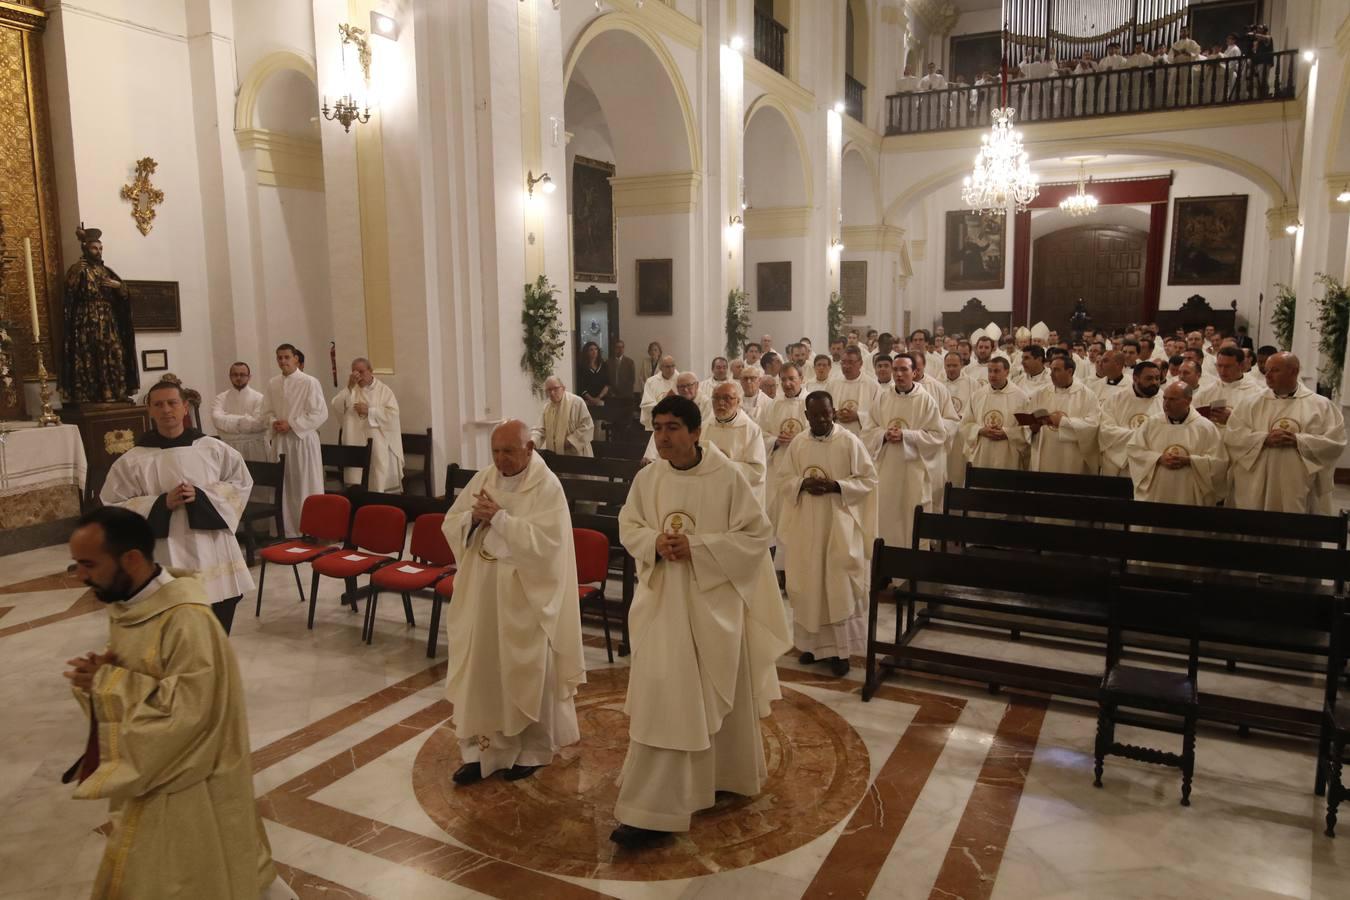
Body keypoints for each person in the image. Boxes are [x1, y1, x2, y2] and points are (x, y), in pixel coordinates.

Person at [63, 506, 283, 899]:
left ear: (130, 559)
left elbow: (189, 713)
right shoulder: (131, 606)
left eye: (88, 564)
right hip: (161, 776)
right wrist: (100, 677)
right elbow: (143, 679)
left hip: (191, 782)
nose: (80, 576)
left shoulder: (187, 622)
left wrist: (109, 682)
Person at [612, 396, 790, 848]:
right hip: (663, 607)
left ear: (695, 432)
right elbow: (628, 525)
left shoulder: (728, 476)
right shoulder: (648, 477)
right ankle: (653, 808)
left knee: (713, 694)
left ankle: (721, 777)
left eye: (673, 427)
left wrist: (700, 548)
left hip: (714, 609)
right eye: (657, 427)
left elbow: (756, 535)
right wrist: (654, 542)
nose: (663, 436)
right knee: (667, 700)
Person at [441, 420, 585, 784]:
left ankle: (532, 751)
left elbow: (550, 547)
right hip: (484, 590)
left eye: (508, 451)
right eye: (495, 451)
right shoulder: (485, 478)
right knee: (483, 669)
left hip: (525, 595)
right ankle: (480, 752)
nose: (501, 459)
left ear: (530, 449)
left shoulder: (547, 487)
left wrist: (501, 519)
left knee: (525, 670)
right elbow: (451, 521)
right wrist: (472, 518)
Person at [100, 379, 254, 634]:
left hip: (212, 547)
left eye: (172, 403)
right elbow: (111, 505)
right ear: (149, 410)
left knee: (217, 622)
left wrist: (203, 496)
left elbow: (241, 484)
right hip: (164, 551)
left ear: (185, 407)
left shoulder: (213, 449)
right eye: (158, 405)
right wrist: (159, 504)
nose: (166, 410)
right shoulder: (132, 461)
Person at [778, 391, 878, 677]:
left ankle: (840, 652)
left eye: (826, 413)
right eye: (815, 415)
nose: (821, 419)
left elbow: (869, 480)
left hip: (839, 526)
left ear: (833, 412)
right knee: (809, 585)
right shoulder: (799, 443)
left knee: (837, 585)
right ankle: (810, 647)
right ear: (806, 416)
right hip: (806, 527)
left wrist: (837, 486)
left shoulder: (848, 442)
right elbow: (784, 479)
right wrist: (802, 483)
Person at [1223, 352, 1347, 515]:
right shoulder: (1250, 404)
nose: (1267, 375)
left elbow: (1335, 443)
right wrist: (1264, 439)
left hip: (1298, 483)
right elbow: (1233, 436)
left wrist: (1299, 441)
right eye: (1266, 370)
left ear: (1293, 372)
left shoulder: (1320, 405)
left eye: (1275, 370)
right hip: (1258, 481)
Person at [865, 354, 945, 551]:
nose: (898, 374)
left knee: (910, 518)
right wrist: (884, 435)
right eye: (896, 370)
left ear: (915, 373)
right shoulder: (883, 397)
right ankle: (885, 566)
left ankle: (911, 566)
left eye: (904, 370)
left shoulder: (925, 400)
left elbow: (938, 435)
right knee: (886, 518)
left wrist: (906, 436)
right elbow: (867, 431)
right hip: (886, 471)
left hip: (913, 472)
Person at [61, 224, 139, 403]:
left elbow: (124, 294)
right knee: (91, 354)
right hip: (87, 319)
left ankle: (117, 389)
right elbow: (69, 294)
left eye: (100, 248)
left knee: (114, 351)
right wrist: (74, 275)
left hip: (108, 319)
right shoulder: (78, 269)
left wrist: (119, 287)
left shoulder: (106, 271)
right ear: (86, 249)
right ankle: (95, 392)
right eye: (94, 248)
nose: (98, 252)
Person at [260, 343, 328, 536]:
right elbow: (266, 412)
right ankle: (286, 531)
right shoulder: (273, 383)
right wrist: (274, 422)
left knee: (305, 484)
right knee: (285, 486)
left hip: (302, 440)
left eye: (286, 357)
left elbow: (320, 413)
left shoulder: (309, 382)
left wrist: (291, 424)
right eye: (279, 358)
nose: (283, 361)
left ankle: (311, 530)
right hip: (281, 441)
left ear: (296, 358)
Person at [1127, 381, 1226, 506]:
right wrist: (1158, 458)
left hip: (1190, 494)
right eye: (1164, 398)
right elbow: (1134, 449)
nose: (1166, 404)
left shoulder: (1205, 427)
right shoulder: (1152, 424)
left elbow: (1219, 463)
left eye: (1173, 399)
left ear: (1188, 400)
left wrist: (1190, 461)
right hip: (1157, 493)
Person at [331, 357, 404, 493]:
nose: (357, 376)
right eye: (354, 372)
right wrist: (349, 386)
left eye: (361, 372)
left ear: (371, 371)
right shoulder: (350, 390)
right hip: (355, 443)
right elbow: (336, 406)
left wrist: (370, 411)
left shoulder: (383, 390)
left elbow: (393, 415)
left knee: (377, 485)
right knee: (356, 489)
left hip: (378, 445)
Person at [1027, 357, 1100, 475]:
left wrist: (1063, 422)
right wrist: (1033, 427)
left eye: (1056, 370)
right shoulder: (1041, 393)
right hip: (1046, 451)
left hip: (1071, 456)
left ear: (1070, 372)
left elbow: (1093, 425)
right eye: (1051, 370)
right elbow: (1028, 422)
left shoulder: (1087, 395)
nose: (1051, 374)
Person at [705, 381, 768, 509]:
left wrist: (724, 466)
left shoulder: (751, 430)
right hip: (710, 493)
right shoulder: (704, 427)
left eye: (727, 398)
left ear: (739, 401)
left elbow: (757, 471)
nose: (721, 403)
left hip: (738, 497)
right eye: (716, 398)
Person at [962, 358, 1030, 472]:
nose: (992, 375)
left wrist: (1007, 433)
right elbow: (965, 424)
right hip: (983, 453)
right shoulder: (978, 395)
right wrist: (980, 430)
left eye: (997, 371)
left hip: (1008, 454)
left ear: (1007, 372)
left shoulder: (1021, 397)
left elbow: (1028, 429)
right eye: (990, 371)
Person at [1098, 360, 1163, 477]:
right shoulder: (1116, 400)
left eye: (1157, 378)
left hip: (1151, 464)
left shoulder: (1165, 400)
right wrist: (1143, 436)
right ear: (1136, 379)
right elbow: (1106, 430)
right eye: (1149, 378)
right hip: (1121, 463)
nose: (1154, 382)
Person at [210, 361, 269, 462]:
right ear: (230, 376)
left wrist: (227, 418)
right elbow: (216, 420)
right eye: (235, 375)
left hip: (254, 447)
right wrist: (245, 420)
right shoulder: (221, 398)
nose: (238, 378)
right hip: (229, 447)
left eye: (242, 375)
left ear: (249, 377)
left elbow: (259, 423)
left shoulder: (259, 398)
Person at [1194, 346, 1259, 427]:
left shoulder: (1255, 392)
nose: (1222, 371)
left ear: (1241, 365)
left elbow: (1258, 424)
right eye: (1219, 366)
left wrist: (1231, 419)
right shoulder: (1206, 391)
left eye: (1228, 366)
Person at [532, 376, 594, 456]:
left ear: (563, 388)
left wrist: (571, 441)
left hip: (576, 454)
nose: (552, 393)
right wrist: (532, 442)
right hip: (556, 455)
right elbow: (540, 430)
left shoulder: (577, 402)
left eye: (555, 388)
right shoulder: (547, 408)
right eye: (549, 390)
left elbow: (587, 426)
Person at [940, 351, 975, 486]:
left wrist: (963, 416)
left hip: (963, 434)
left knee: (960, 470)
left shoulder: (973, 384)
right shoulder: (938, 384)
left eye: (955, 365)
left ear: (961, 365)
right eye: (948, 366)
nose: (951, 369)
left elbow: (975, 408)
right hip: (945, 434)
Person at [830, 346, 879, 438]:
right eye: (843, 362)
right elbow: (825, 408)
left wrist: (858, 416)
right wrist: (835, 414)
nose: (846, 366)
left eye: (851, 362)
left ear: (860, 363)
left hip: (862, 437)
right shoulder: (833, 383)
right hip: (836, 436)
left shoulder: (872, 385)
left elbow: (879, 415)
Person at [639, 355, 680, 430]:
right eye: (667, 367)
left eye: (672, 366)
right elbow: (647, 404)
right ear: (661, 368)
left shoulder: (681, 380)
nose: (670, 369)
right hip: (659, 422)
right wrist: (663, 404)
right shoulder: (651, 382)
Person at [578, 341, 610, 408]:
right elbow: (581, 386)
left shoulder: (603, 365)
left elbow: (607, 384)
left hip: (601, 400)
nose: (594, 352)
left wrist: (598, 398)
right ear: (587, 352)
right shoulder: (582, 367)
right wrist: (591, 399)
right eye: (591, 350)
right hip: (587, 401)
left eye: (596, 349)